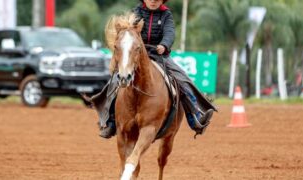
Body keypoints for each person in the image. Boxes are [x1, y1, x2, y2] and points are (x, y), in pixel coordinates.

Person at [89, 0, 216, 139]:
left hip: (160, 56)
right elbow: (129, 33)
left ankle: (196, 117)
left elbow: (170, 33)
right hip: (136, 55)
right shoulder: (136, 13)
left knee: (183, 80)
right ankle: (110, 121)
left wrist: (164, 45)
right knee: (114, 81)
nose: (153, 1)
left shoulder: (166, 14)